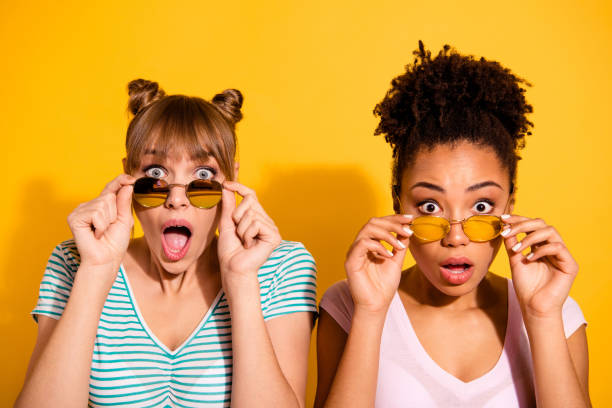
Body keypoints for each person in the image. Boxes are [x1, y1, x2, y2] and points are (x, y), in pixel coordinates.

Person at [315, 42, 590, 407]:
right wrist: (370, 314)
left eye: (481, 205)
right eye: (430, 206)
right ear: (399, 203)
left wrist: (541, 317)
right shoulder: (348, 305)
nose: (456, 237)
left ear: (510, 205)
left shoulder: (559, 313)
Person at [16, 79, 317, 408]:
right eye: (155, 175)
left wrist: (242, 280)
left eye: (202, 176)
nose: (176, 199)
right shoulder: (76, 262)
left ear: (232, 182)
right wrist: (96, 271)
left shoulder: (278, 267)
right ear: (127, 178)